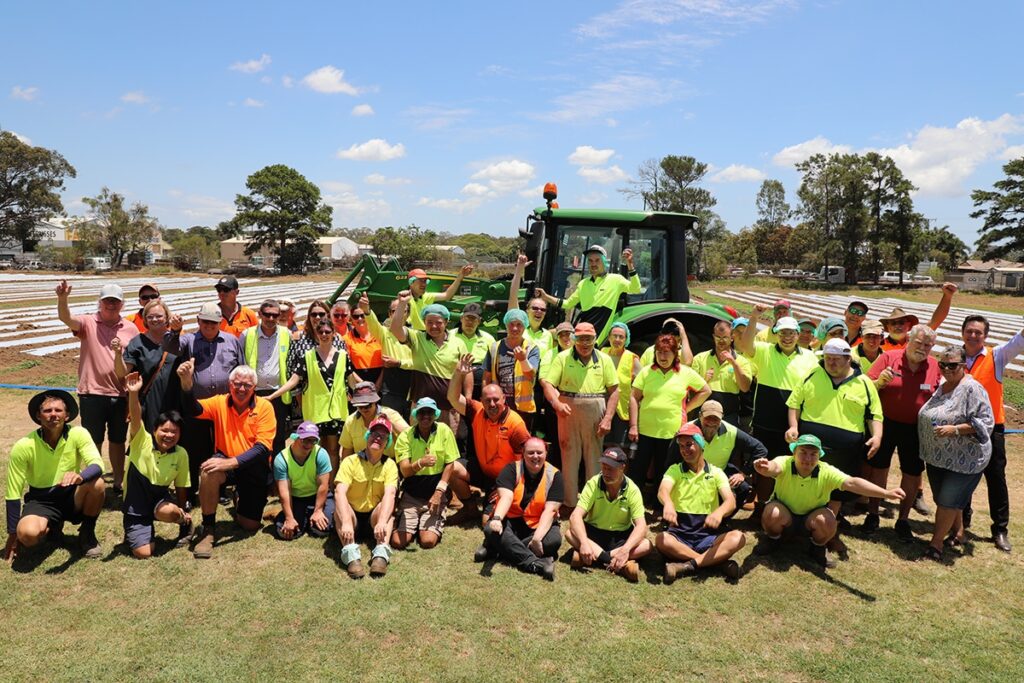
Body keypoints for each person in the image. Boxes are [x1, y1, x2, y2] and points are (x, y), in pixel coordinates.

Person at [786, 338, 882, 553]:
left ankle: (828, 533)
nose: (831, 363)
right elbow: (794, 404)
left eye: (836, 360)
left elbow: (875, 414)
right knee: (809, 485)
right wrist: (793, 426)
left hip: (846, 450)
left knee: (837, 491)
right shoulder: (812, 374)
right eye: (828, 359)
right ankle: (801, 529)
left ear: (848, 359)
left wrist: (877, 437)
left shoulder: (864, 382)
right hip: (811, 446)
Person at [754, 434, 905, 568]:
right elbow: (773, 468)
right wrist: (765, 469)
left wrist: (885, 492)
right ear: (794, 452)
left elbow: (852, 483)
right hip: (785, 514)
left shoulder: (826, 470)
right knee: (772, 512)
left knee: (828, 520)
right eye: (803, 453)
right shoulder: (784, 462)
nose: (807, 458)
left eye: (813, 454)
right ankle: (773, 539)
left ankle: (818, 547)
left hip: (810, 520)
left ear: (819, 456)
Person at [178, 362, 276, 559]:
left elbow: (262, 448)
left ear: (254, 388)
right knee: (208, 471)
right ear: (230, 385)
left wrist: (231, 463)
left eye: (247, 385)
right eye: (237, 384)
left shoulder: (265, 407)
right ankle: (208, 530)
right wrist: (187, 384)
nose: (241, 389)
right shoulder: (220, 402)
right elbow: (194, 409)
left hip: (253, 465)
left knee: (250, 525)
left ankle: (239, 498)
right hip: (225, 459)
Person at [56, 280, 139, 497]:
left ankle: (119, 480)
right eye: (107, 301)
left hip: (120, 393)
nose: (111, 304)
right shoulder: (87, 323)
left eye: (115, 301)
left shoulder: (130, 328)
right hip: (91, 392)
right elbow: (66, 318)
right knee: (93, 439)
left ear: (122, 304)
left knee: (118, 439)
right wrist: (62, 298)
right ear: (100, 302)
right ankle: (93, 478)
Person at [4, 390, 106, 561]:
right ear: (38, 416)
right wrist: (13, 534)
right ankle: (52, 527)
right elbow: (13, 492)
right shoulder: (24, 445)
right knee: (27, 535)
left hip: (72, 494)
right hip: (41, 499)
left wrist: (80, 477)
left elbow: (98, 464)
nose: (53, 415)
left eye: (58, 411)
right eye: (47, 411)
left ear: (67, 415)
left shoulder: (78, 434)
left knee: (98, 484)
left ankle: (87, 533)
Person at [918, 345, 996, 561]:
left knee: (947, 501)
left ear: (963, 365)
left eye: (952, 365)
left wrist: (956, 430)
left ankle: (935, 545)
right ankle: (959, 532)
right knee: (944, 498)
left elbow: (986, 422)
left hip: (966, 459)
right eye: (943, 364)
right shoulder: (942, 385)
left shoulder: (972, 388)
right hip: (937, 457)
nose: (947, 369)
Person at [737, 306, 818, 506]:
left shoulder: (810, 358)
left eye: (791, 333)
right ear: (776, 334)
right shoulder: (765, 351)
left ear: (798, 334)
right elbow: (746, 345)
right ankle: (761, 506)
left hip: (794, 422)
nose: (787, 337)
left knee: (791, 466)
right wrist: (754, 317)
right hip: (765, 419)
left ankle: (785, 505)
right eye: (782, 333)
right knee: (765, 465)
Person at [865, 324, 941, 539]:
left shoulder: (935, 366)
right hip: (886, 422)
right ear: (909, 340)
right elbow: (866, 385)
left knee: (912, 472)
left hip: (916, 429)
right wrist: (879, 382)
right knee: (879, 467)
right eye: (918, 343)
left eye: (928, 345)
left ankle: (903, 519)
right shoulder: (889, 358)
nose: (923, 348)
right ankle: (873, 514)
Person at [164, 301, 244, 499]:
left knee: (221, 446)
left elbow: (241, 368)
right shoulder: (188, 340)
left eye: (213, 323)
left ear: (220, 323)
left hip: (225, 406)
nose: (209, 326)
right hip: (196, 405)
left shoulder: (231, 341)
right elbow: (170, 347)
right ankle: (191, 489)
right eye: (205, 322)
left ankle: (222, 486)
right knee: (193, 446)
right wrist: (175, 331)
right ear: (198, 321)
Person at [540, 322, 620, 510]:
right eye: (581, 339)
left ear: (595, 340)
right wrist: (557, 404)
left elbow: (615, 390)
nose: (585, 343)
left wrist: (608, 418)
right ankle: (569, 502)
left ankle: (592, 502)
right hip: (567, 410)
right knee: (568, 456)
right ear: (574, 339)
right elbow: (549, 385)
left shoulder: (604, 359)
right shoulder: (562, 358)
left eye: (589, 339)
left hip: (596, 409)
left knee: (594, 458)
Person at [961, 314, 1022, 552]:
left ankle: (1000, 529)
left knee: (996, 479)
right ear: (962, 332)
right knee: (962, 475)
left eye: (978, 332)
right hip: (962, 427)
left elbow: (1019, 340)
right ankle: (961, 521)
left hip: (991, 427)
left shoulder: (996, 356)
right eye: (970, 331)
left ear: (985, 336)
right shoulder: (955, 357)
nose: (973, 335)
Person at [448, 354, 531, 523]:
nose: (492, 404)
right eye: (487, 401)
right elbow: (453, 398)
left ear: (504, 399)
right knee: (451, 468)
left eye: (496, 400)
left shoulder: (515, 424)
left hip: (505, 479)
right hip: (482, 470)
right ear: (481, 401)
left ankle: (493, 506)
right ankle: (470, 508)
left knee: (487, 522)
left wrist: (507, 487)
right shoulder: (477, 410)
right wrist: (458, 373)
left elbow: (524, 465)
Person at [628, 333, 711, 504]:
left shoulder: (685, 373)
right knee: (638, 469)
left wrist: (686, 409)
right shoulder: (646, 372)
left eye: (667, 353)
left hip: (671, 432)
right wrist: (633, 426)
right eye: (659, 352)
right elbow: (634, 398)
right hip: (645, 430)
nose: (663, 357)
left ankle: (662, 505)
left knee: (664, 471)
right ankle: (633, 503)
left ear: (675, 354)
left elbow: (705, 390)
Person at [657, 423, 745, 583]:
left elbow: (730, 501)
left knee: (738, 538)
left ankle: (686, 566)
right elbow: (663, 490)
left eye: (689, 444)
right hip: (680, 535)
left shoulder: (716, 472)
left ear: (701, 444)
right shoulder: (674, 470)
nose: (684, 450)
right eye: (681, 446)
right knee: (661, 539)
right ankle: (716, 563)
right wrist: (668, 504)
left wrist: (719, 513)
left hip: (708, 537)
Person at [268, 317, 356, 477]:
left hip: (337, 412)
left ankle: (331, 486)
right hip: (316, 413)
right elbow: (294, 380)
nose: (324, 334)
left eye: (327, 332)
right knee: (318, 450)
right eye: (320, 332)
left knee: (334, 449)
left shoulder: (343, 356)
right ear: (316, 334)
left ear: (334, 333)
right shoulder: (307, 356)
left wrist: (369, 393)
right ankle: (320, 484)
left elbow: (351, 381)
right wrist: (273, 396)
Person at [122, 372, 191, 559]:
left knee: (170, 511)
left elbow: (181, 485)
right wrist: (134, 393)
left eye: (174, 432)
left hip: (159, 502)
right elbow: (136, 417)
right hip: (135, 506)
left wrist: (182, 511)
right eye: (164, 430)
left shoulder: (181, 453)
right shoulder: (141, 441)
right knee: (143, 553)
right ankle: (141, 531)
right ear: (154, 431)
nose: (169, 435)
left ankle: (186, 525)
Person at [475, 437, 562, 580]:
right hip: (510, 522)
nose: (535, 456)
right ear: (523, 453)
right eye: (530, 453)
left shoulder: (555, 475)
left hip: (538, 525)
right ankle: (536, 563)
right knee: (491, 529)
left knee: (553, 541)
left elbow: (550, 511)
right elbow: (506, 497)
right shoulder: (511, 469)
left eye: (539, 453)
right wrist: (497, 518)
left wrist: (536, 539)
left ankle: (496, 549)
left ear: (546, 453)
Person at [565, 446, 652, 583]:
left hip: (620, 538)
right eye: (604, 467)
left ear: (622, 467)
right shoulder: (593, 483)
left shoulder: (633, 489)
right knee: (570, 534)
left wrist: (625, 549)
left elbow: (641, 526)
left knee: (647, 545)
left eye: (610, 468)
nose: (606, 472)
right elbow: (575, 516)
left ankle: (591, 558)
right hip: (593, 534)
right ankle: (619, 564)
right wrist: (583, 542)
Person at [535, 244, 641, 344]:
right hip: (581, 333)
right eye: (590, 261)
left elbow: (636, 289)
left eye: (597, 260)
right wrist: (545, 297)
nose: (593, 264)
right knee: (545, 336)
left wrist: (630, 264)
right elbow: (567, 304)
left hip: (595, 339)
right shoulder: (583, 284)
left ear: (604, 262)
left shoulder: (616, 280)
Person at [392, 398, 460, 550]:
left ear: (435, 414)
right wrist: (420, 463)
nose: (425, 416)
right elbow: (405, 471)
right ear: (416, 414)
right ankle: (413, 521)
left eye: (429, 412)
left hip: (434, 495)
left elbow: (450, 463)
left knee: (427, 542)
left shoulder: (444, 430)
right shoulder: (406, 436)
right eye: (421, 412)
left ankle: (426, 522)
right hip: (412, 495)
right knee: (398, 542)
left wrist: (439, 492)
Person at [390, 295, 468, 428]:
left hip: (448, 409)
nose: (434, 326)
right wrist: (402, 304)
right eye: (429, 322)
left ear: (446, 321)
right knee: (418, 444)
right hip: (420, 408)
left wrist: (468, 400)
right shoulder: (416, 338)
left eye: (438, 322)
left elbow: (467, 373)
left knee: (446, 445)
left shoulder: (458, 343)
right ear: (424, 322)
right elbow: (396, 329)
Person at [335, 416, 398, 578]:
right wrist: (347, 522)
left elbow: (390, 494)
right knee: (339, 511)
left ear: (387, 442)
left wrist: (382, 521)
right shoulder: (350, 461)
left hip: (374, 518)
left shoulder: (390, 465)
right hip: (353, 516)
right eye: (374, 433)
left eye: (383, 436)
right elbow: (339, 492)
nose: (378, 437)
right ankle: (351, 557)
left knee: (388, 512)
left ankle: (381, 554)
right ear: (367, 436)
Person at [115, 298, 181, 434]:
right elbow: (122, 372)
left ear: (167, 317)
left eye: (159, 316)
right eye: (150, 317)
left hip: (175, 400)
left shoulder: (177, 339)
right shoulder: (137, 343)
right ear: (145, 319)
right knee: (147, 444)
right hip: (148, 403)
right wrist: (117, 354)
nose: (155, 320)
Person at [690, 400, 766, 507]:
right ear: (700, 416)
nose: (711, 422)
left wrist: (743, 473)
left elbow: (760, 449)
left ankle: (722, 520)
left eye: (715, 418)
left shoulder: (732, 431)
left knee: (743, 488)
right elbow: (671, 461)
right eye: (708, 417)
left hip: (720, 472)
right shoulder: (687, 430)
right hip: (691, 474)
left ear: (722, 418)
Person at [241, 299, 293, 454]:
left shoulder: (286, 334)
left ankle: (277, 473)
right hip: (254, 393)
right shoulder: (247, 334)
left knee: (278, 436)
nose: (271, 319)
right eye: (267, 315)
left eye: (275, 315)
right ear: (260, 314)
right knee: (254, 434)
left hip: (278, 394)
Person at [272, 421, 334, 543]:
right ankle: (285, 515)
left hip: (318, 497)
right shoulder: (281, 459)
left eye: (313, 440)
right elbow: (284, 492)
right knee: (287, 532)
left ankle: (307, 516)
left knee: (322, 529)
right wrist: (289, 518)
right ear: (296, 437)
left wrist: (318, 511)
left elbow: (323, 485)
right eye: (305, 440)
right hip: (296, 498)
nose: (309, 444)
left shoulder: (321, 454)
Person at [482, 309, 541, 429]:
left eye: (519, 324)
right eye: (511, 324)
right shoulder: (495, 347)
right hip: (499, 404)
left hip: (522, 407)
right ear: (506, 325)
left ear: (525, 327)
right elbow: (487, 377)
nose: (515, 328)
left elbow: (531, 375)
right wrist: (485, 400)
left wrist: (523, 360)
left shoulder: (532, 348)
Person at [690, 319, 752, 426]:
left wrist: (734, 364)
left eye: (725, 337)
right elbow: (690, 390)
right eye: (718, 337)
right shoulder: (700, 358)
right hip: (703, 413)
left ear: (732, 337)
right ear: (713, 337)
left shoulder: (742, 361)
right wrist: (704, 381)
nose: (721, 341)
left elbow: (745, 387)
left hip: (729, 415)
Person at [364, 294, 414, 418]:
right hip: (391, 388)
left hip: (412, 388)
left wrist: (399, 362)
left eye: (403, 310)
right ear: (389, 314)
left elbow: (419, 361)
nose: (399, 314)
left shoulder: (415, 334)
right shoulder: (384, 333)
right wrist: (367, 311)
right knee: (391, 424)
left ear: (407, 314)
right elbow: (373, 324)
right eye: (394, 311)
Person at [877, 283, 957, 352]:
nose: (897, 326)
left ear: (908, 325)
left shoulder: (916, 340)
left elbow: (935, 321)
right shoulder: (878, 345)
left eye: (901, 322)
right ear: (887, 327)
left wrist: (947, 296)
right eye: (893, 323)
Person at [340, 381, 409, 460]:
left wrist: (391, 423)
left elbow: (409, 436)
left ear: (375, 401)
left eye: (367, 405)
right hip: (361, 465)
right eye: (359, 406)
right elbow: (347, 451)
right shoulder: (350, 421)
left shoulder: (390, 414)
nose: (363, 409)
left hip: (389, 464)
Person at [403, 264, 475, 331]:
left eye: (425, 281)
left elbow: (447, 295)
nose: (424, 284)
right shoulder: (405, 299)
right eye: (420, 281)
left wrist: (460, 277)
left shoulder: (426, 296)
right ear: (411, 282)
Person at [508, 253, 554, 354]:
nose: (539, 311)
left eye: (542, 310)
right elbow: (513, 295)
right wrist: (519, 269)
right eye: (535, 308)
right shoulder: (518, 328)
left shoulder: (547, 336)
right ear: (527, 310)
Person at [603, 322, 640, 446]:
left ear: (626, 340)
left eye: (621, 337)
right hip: (603, 408)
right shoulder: (602, 353)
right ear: (609, 337)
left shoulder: (632, 358)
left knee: (619, 448)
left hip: (622, 411)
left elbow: (642, 385)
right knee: (601, 445)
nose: (617, 339)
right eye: (614, 336)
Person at [453, 302, 497, 401]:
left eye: (474, 319)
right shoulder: (449, 336)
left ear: (479, 321)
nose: (470, 322)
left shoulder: (488, 338)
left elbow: (494, 363)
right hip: (456, 380)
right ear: (461, 319)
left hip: (480, 383)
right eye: (467, 318)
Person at [344, 299, 384, 393]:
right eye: (356, 316)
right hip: (359, 383)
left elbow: (386, 364)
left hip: (382, 381)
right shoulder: (346, 339)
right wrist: (363, 385)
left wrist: (378, 385)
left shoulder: (379, 334)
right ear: (351, 319)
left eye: (362, 315)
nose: (360, 319)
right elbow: (347, 366)